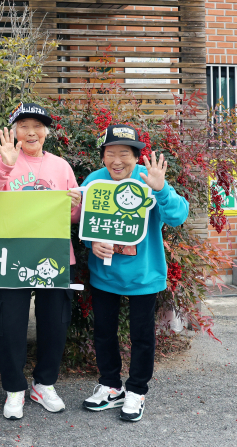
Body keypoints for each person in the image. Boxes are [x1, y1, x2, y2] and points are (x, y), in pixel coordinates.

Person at [0, 102, 82, 419]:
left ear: (47, 131)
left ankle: (44, 383)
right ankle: (14, 388)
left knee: (55, 322)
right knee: (9, 324)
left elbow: (74, 217)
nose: (31, 132)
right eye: (23, 126)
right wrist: (4, 166)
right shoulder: (2, 160)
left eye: (38, 126)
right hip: (12, 255)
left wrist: (76, 205)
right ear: (13, 132)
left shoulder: (61, 166)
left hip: (55, 254)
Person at [81, 124, 188, 422]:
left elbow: (179, 216)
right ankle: (111, 386)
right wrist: (93, 242)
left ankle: (137, 390)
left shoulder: (147, 179)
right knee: (104, 333)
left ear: (137, 156)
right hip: (105, 274)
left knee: (142, 336)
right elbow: (84, 223)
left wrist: (161, 188)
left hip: (144, 274)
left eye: (125, 154)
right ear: (102, 157)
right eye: (110, 153)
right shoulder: (94, 182)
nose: (117, 160)